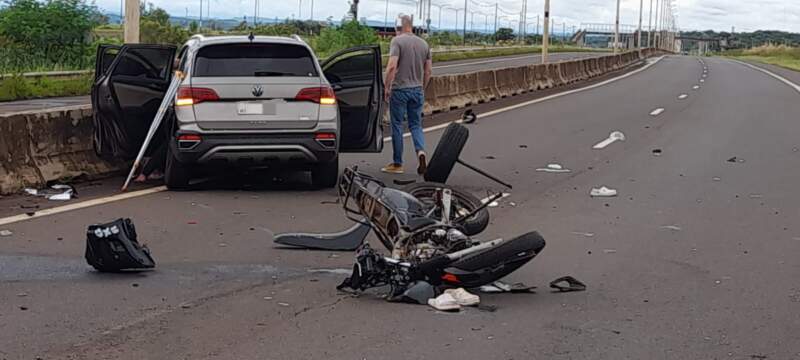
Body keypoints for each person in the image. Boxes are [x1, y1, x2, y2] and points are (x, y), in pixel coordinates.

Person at [382, 15, 433, 175]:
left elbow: (391, 67)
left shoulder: (397, 42)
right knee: (416, 125)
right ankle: (421, 153)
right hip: (417, 90)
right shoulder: (424, 44)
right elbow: (429, 71)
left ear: (400, 27)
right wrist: (422, 87)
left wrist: (387, 86)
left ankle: (398, 163)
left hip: (400, 90)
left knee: (397, 125)